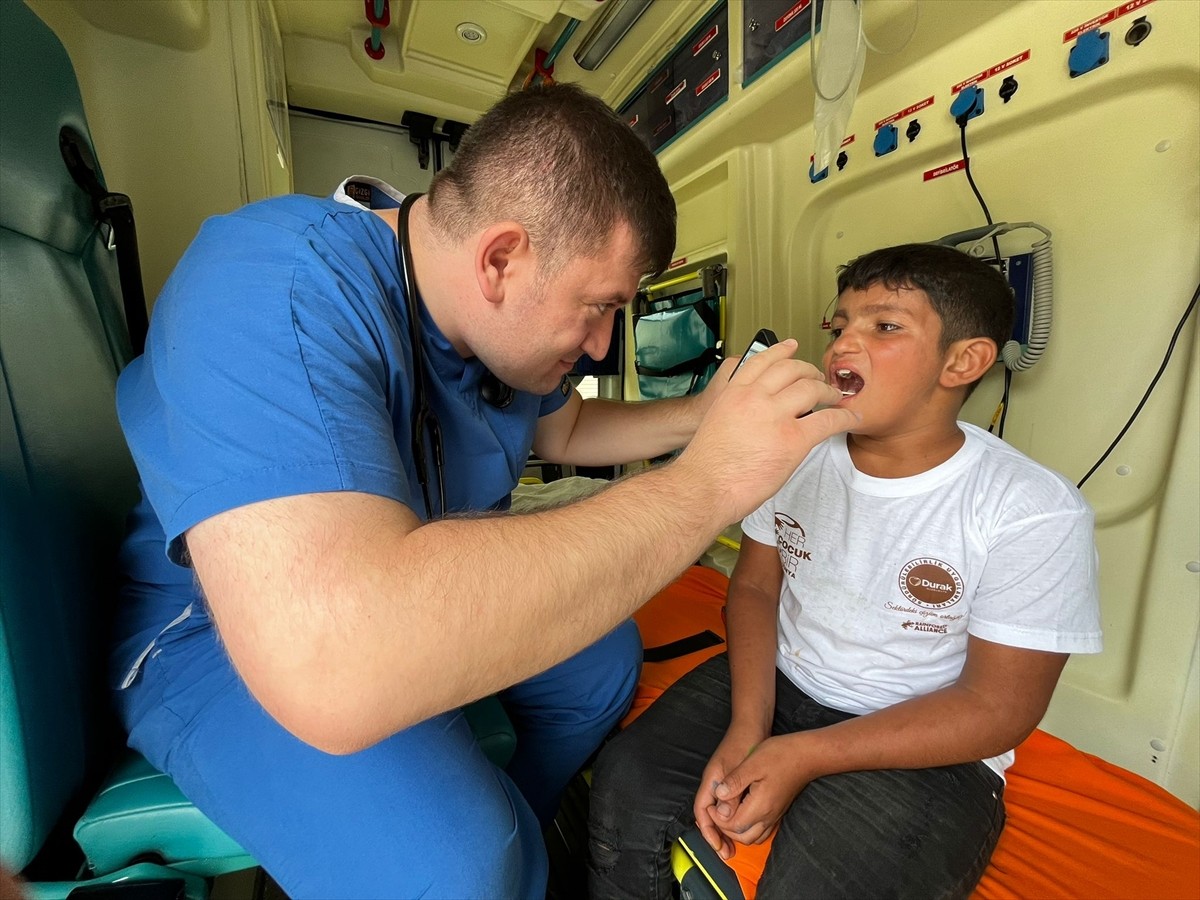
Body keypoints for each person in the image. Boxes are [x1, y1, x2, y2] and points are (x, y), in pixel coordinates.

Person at [110, 83, 857, 898]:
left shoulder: (484, 328)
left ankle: (510, 826)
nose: (605, 343)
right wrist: (712, 482)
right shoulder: (273, 291)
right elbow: (336, 663)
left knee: (601, 664)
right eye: (599, 308)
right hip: (226, 637)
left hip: (395, 598)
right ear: (501, 259)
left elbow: (564, 432)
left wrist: (703, 416)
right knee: (460, 865)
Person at [587, 243, 1103, 899]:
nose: (841, 347)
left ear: (963, 360)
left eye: (884, 326)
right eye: (840, 326)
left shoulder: (1031, 511)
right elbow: (752, 587)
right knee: (627, 785)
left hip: (922, 738)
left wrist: (800, 755)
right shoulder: (795, 453)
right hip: (783, 678)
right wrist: (751, 724)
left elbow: (997, 709)